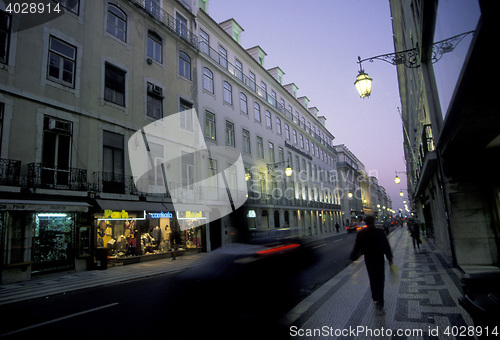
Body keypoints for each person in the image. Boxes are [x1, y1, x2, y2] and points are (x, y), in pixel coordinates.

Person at [349, 215, 393, 314]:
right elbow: (386, 246)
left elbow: (357, 247)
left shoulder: (361, 233)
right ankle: (380, 303)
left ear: (365, 222)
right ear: (373, 222)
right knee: (380, 279)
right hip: (379, 258)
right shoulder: (380, 232)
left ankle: (375, 297)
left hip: (369, 258)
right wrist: (389, 258)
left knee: (372, 278)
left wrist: (352, 258)